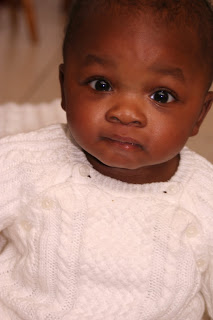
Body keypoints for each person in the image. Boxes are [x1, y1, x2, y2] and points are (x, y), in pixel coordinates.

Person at [0, 0, 213, 319]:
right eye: (102, 85)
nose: (126, 113)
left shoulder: (204, 197)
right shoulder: (25, 161)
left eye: (161, 96)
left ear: (200, 113)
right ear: (64, 88)